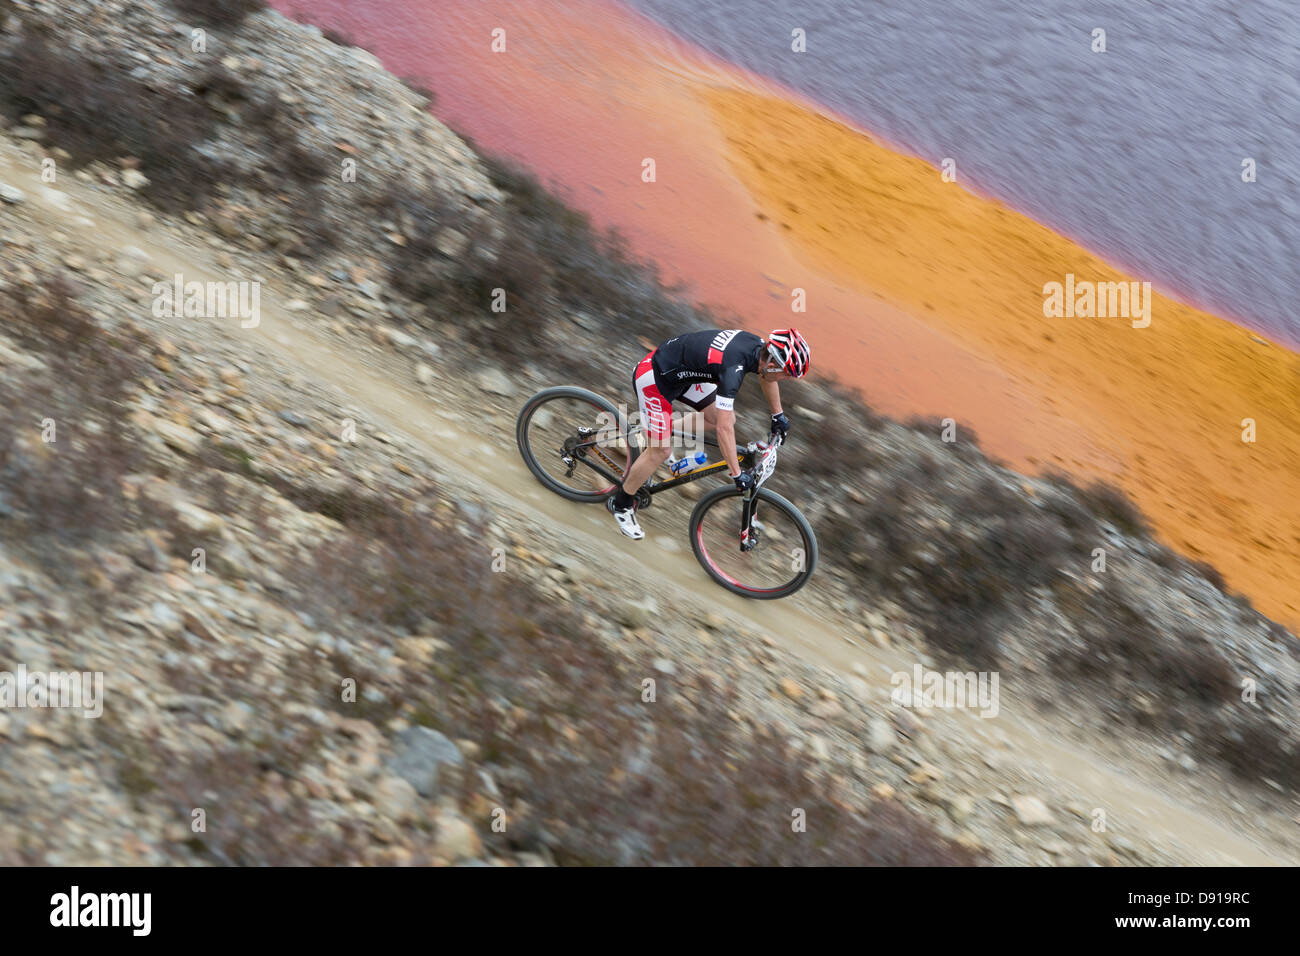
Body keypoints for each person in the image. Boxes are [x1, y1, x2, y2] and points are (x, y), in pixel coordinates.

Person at [607, 327, 810, 539]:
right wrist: (736, 474)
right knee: (660, 452)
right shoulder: (733, 368)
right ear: (772, 363)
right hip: (655, 379)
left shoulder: (758, 348)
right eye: (787, 373)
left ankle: (661, 428)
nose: (786, 378)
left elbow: (767, 378)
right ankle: (621, 504)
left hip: (682, 374)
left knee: (724, 418)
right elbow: (724, 430)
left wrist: (778, 415)